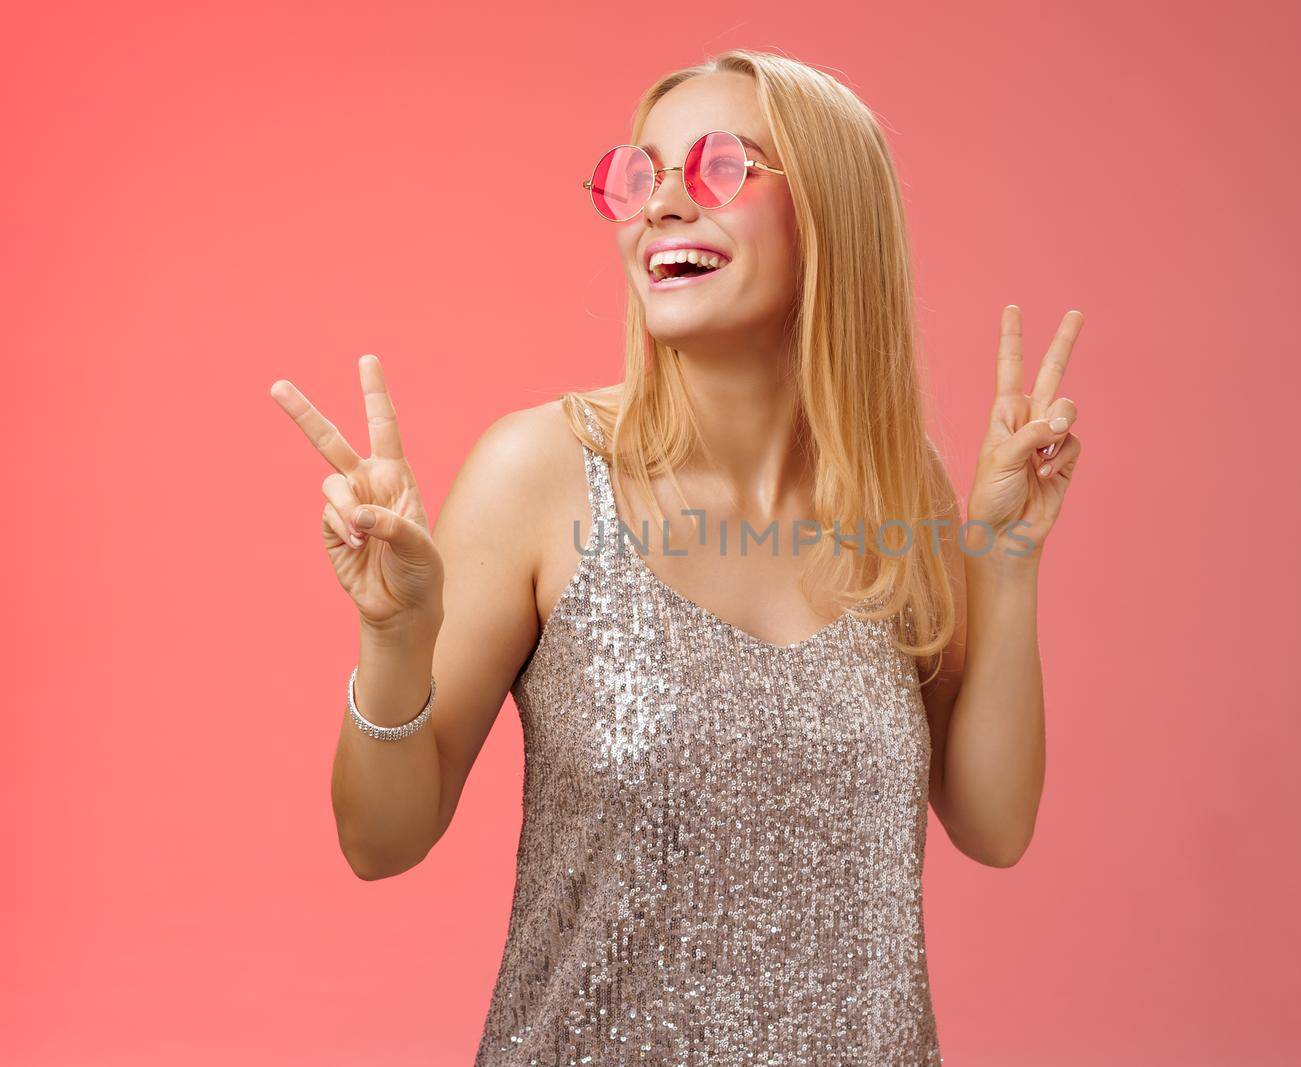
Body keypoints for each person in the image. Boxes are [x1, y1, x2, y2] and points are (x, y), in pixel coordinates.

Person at [269, 47, 1083, 1066]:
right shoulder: (543, 472)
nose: (657, 207)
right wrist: (391, 637)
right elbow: (378, 842)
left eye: (717, 171)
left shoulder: (895, 488)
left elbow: (993, 823)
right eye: (640, 177)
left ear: (831, 212)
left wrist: (1002, 557)